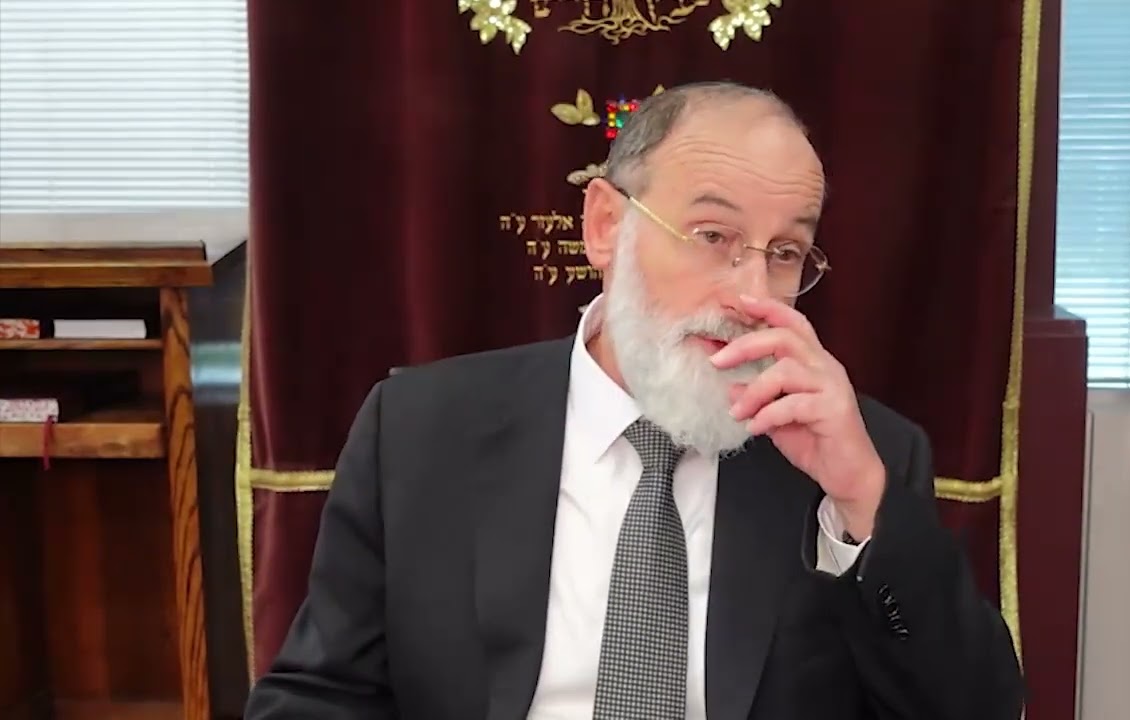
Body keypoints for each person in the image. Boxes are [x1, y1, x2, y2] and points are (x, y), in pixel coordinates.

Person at [244, 81, 1024, 719]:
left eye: (785, 252)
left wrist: (862, 504)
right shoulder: (420, 432)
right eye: (713, 236)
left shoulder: (860, 457)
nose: (751, 294)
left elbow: (974, 709)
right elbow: (318, 698)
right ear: (606, 226)